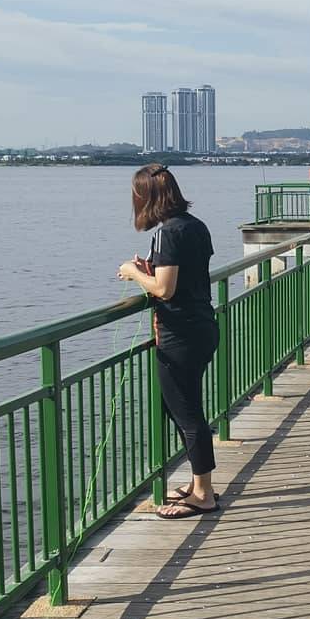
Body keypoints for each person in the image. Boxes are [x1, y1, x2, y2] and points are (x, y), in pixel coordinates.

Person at [118, 165, 220, 519]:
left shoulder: (166, 234)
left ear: (147, 197)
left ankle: (204, 494)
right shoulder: (196, 226)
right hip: (204, 326)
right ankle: (198, 483)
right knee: (187, 407)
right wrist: (151, 268)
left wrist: (134, 273)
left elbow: (165, 289)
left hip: (180, 336)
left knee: (187, 412)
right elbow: (184, 274)